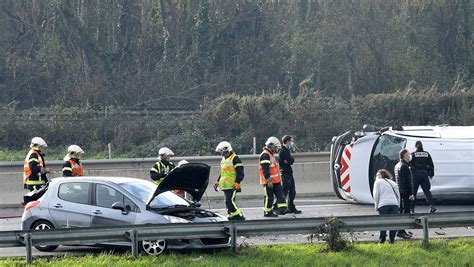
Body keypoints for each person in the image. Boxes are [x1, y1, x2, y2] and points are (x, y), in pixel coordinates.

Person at [213, 141, 245, 220]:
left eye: (221, 151)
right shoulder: (224, 159)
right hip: (225, 185)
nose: (220, 153)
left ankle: (239, 215)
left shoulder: (235, 158)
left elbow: (240, 172)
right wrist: (217, 181)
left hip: (232, 185)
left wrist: (237, 182)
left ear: (226, 150)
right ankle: (231, 214)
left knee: (229, 201)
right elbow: (223, 173)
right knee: (227, 202)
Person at [259, 136, 288, 217]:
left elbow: (273, 167)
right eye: (276, 147)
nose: (276, 150)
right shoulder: (265, 155)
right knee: (269, 197)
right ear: (271, 145)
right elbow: (265, 169)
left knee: (280, 195)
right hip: (269, 181)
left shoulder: (270, 154)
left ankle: (282, 209)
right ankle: (267, 212)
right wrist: (268, 180)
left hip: (276, 180)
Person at [373, 169, 400, 244]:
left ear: (382, 175)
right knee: (393, 223)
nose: (376, 176)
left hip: (383, 205)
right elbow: (398, 195)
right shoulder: (393, 183)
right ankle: (392, 240)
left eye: (378, 175)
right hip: (394, 204)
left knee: (383, 222)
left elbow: (376, 195)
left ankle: (382, 240)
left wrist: (376, 205)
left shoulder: (377, 182)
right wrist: (398, 205)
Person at [394, 149, 415, 239]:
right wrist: (411, 193)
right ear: (404, 155)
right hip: (405, 192)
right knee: (405, 212)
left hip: (400, 191)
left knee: (402, 211)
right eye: (408, 154)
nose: (410, 155)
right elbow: (408, 181)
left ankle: (402, 231)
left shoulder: (397, 165)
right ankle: (400, 231)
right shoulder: (405, 166)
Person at [410, 141, 436, 213]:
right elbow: (431, 165)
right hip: (424, 174)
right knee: (427, 191)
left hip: (415, 175)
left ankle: (412, 209)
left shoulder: (413, 154)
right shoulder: (427, 154)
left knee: (413, 192)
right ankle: (432, 206)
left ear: (415, 146)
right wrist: (431, 175)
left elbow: (409, 164)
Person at [279, 135, 301, 214]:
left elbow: (290, 160)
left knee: (292, 191)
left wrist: (289, 160)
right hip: (285, 174)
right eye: (291, 141)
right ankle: (278, 207)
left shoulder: (286, 151)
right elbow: (290, 160)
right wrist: (289, 160)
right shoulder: (283, 151)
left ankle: (291, 207)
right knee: (284, 192)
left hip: (289, 173)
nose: (292, 143)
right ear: (287, 141)